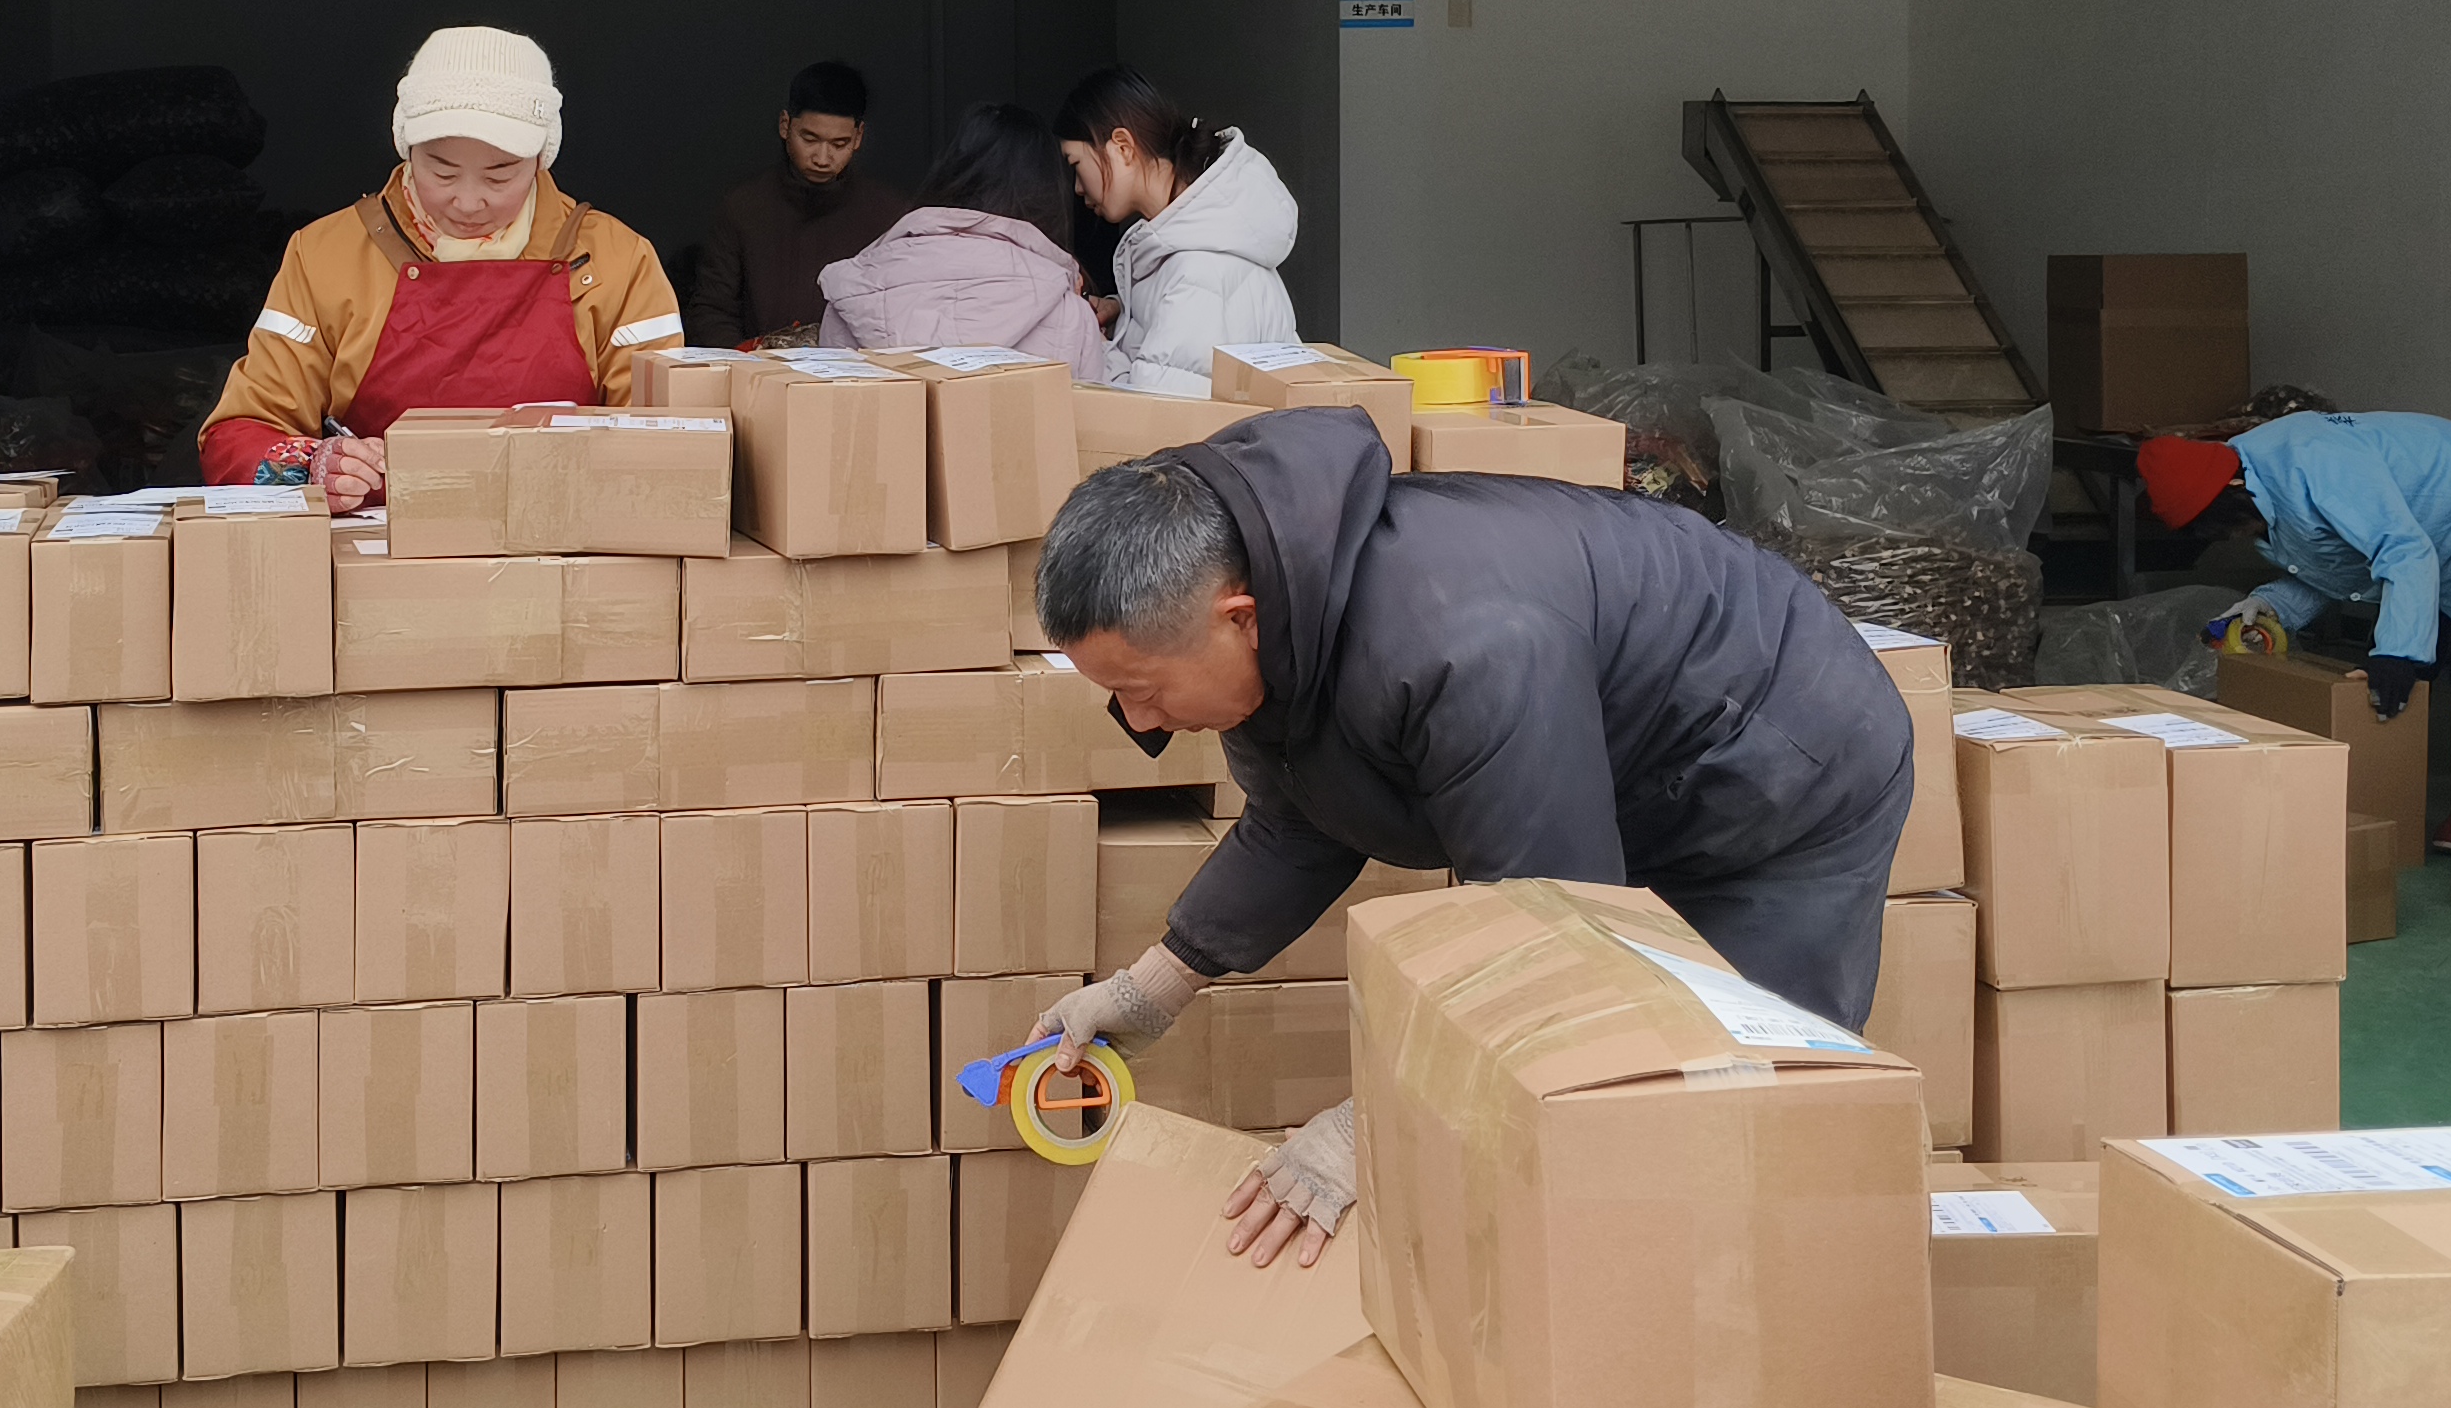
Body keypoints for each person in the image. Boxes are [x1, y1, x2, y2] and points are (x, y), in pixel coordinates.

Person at [1023, 406, 1914, 1268]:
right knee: (1607, 1116)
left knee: (1729, 1113)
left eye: (1144, 690)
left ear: (1238, 616)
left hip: (1784, 768)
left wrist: (1375, 1125)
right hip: (1626, 783)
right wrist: (1153, 989)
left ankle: (1780, 1336)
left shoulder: (1466, 642)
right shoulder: (1292, 612)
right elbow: (1300, 823)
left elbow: (1551, 929)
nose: (1141, 722)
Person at [195, 25, 680, 510]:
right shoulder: (325, 255)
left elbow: (675, 444)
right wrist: (313, 467)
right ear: (405, 145)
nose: (468, 202)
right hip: (381, 547)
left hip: (564, 540)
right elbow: (238, 436)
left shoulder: (618, 261)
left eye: (500, 175)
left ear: (541, 157)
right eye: (442, 171)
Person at [2138, 411, 2451, 716]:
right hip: (2443, 536)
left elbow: (2403, 552)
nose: (2233, 539)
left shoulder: (2317, 464)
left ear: (2234, 491)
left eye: (2227, 528)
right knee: (2400, 672)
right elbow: (2338, 554)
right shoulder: (2253, 469)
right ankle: (2402, 779)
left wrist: (2397, 655)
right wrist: (2272, 604)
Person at [812, 101, 1110, 378]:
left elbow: (832, 410)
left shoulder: (853, 293)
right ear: (1046, 193)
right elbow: (1092, 415)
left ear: (952, 172)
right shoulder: (1070, 313)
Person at [1055, 67, 1297, 395]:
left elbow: (1153, 414)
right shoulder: (1202, 243)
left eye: (1076, 164)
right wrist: (1122, 312)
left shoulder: (1199, 271)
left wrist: (1093, 343)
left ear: (1122, 147)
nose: (1078, 188)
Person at [691, 60, 907, 348]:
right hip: (757, 370)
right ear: (785, 125)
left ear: (858, 137)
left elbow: (903, 315)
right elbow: (712, 312)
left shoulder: (888, 215)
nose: (822, 158)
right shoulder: (743, 209)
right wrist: (750, 358)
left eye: (839, 144)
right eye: (810, 139)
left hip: (859, 372)